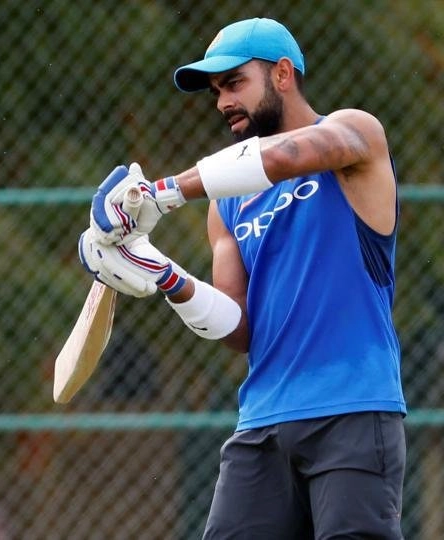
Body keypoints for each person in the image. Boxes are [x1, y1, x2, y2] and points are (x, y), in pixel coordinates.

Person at [78, 17, 405, 538]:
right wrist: (163, 274)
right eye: (215, 91)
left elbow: (285, 156)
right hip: (261, 424)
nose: (222, 101)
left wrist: (158, 194)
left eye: (234, 84)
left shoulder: (354, 135)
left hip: (352, 412)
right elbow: (239, 328)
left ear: (282, 74)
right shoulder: (227, 204)